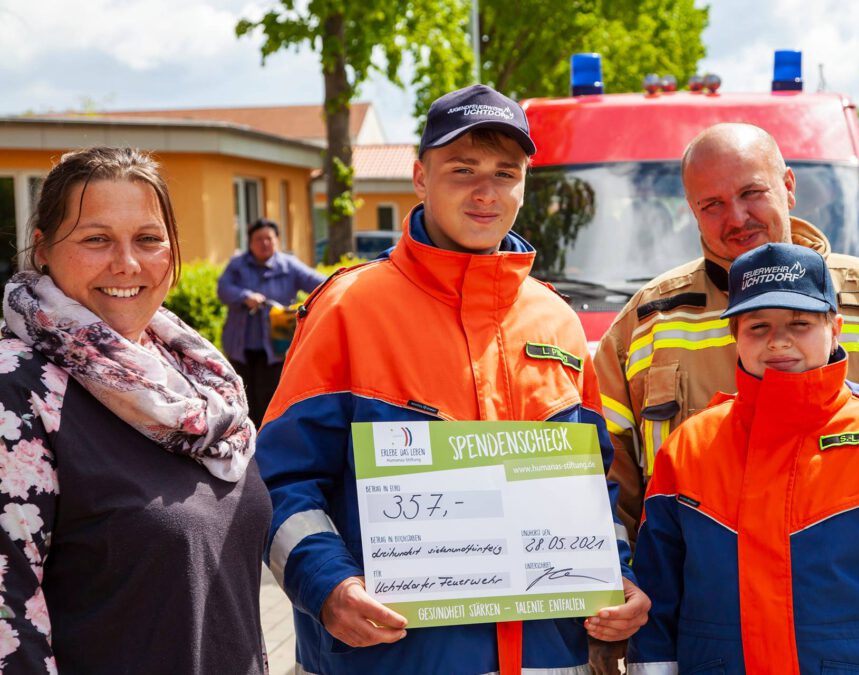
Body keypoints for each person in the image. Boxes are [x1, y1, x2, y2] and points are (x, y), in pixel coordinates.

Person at [256, 84, 649, 675]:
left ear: (524, 185)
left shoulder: (557, 320)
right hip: (391, 660)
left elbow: (590, 488)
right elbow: (279, 480)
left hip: (546, 660)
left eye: (505, 172)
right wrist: (327, 585)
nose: (485, 191)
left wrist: (616, 578)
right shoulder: (349, 308)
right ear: (420, 177)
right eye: (462, 169)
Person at [592, 123, 859, 668]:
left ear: (788, 185)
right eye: (713, 203)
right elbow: (601, 473)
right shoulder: (650, 320)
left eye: (751, 193)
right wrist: (617, 586)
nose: (736, 218)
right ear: (691, 211)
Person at [626, 242, 859, 674]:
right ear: (735, 337)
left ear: (835, 328)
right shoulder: (688, 448)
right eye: (757, 327)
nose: (778, 341)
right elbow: (658, 604)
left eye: (799, 323)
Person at [0, 147, 271, 673]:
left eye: (148, 239)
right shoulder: (20, 388)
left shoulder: (194, 376)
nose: (126, 263)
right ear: (43, 250)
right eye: (96, 239)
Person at [217, 218, 326, 427]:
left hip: (276, 348)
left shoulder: (289, 265)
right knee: (243, 396)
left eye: (269, 238)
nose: (264, 243)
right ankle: (244, 440)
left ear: (277, 240)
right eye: (259, 239)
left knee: (271, 398)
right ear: (250, 243)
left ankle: (268, 440)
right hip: (241, 348)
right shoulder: (238, 265)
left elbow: (320, 282)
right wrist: (245, 296)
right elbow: (223, 289)